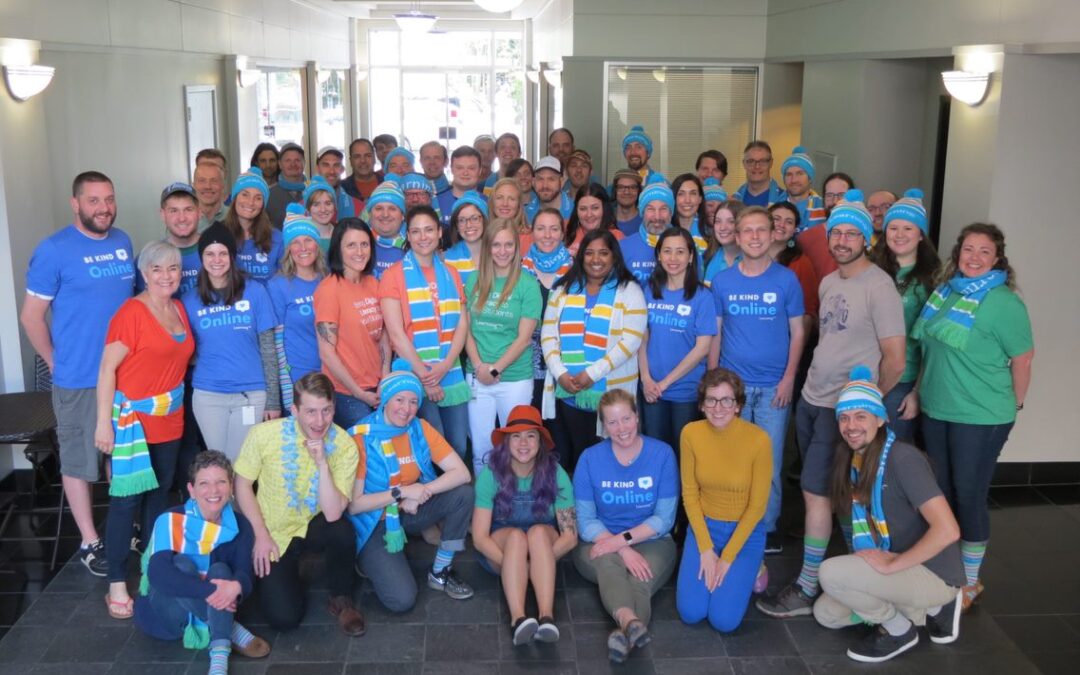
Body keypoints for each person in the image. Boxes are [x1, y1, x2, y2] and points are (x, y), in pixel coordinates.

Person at [756, 190, 905, 619]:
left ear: (865, 239)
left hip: (840, 409)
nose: (841, 240)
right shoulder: (828, 280)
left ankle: (806, 588)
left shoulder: (879, 287)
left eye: (850, 233)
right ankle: (850, 577)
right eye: (835, 232)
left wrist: (863, 408)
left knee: (816, 493)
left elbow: (895, 359)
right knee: (833, 491)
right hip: (811, 398)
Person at [913, 223, 1033, 612]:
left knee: (968, 494)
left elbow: (1023, 359)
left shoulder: (1003, 303)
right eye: (968, 250)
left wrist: (1014, 406)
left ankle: (968, 581)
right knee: (942, 494)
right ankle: (946, 570)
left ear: (997, 258)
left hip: (981, 416)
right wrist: (917, 391)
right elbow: (930, 351)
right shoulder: (945, 292)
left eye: (984, 251)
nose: (975, 258)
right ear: (957, 253)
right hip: (937, 409)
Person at [21, 171, 136, 577]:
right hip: (80, 379)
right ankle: (90, 540)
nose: (103, 207)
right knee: (80, 460)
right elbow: (31, 316)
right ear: (76, 204)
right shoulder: (54, 250)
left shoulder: (123, 242)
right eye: (93, 200)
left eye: (109, 198)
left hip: (125, 375)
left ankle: (124, 527)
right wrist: (55, 362)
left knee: (122, 456)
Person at [814, 369, 965, 663]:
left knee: (831, 573)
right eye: (844, 418)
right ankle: (929, 611)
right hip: (895, 560)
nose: (850, 425)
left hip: (932, 572)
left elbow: (948, 530)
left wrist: (893, 564)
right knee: (827, 614)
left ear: (880, 419)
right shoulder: (854, 460)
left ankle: (899, 629)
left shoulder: (903, 459)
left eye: (861, 416)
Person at [94, 240, 195, 618]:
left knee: (159, 497)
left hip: (170, 419)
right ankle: (117, 582)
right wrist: (103, 423)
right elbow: (107, 369)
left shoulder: (179, 308)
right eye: (157, 269)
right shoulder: (131, 313)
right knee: (125, 503)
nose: (166, 275)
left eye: (172, 268)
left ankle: (153, 568)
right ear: (143, 273)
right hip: (132, 425)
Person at [234, 372, 363, 635]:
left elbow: (332, 513)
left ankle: (341, 596)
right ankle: (287, 572)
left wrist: (322, 464)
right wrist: (259, 534)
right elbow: (242, 485)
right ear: (294, 410)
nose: (319, 421)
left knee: (342, 531)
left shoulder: (345, 445)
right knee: (284, 619)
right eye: (311, 412)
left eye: (326, 411)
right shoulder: (263, 434)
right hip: (273, 531)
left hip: (315, 522)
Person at [709, 206, 806, 555]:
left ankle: (763, 530)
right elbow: (715, 336)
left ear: (772, 234)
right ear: (736, 236)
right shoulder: (722, 282)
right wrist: (712, 385)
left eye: (761, 230)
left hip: (772, 390)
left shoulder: (786, 280)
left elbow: (798, 333)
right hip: (731, 390)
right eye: (746, 231)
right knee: (730, 460)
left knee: (769, 463)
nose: (754, 237)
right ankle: (731, 523)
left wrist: (789, 379)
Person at [349, 363, 475, 611]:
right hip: (376, 521)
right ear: (385, 400)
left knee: (463, 495)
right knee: (401, 600)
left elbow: (461, 474)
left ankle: (440, 570)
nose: (406, 409)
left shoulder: (418, 428)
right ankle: (368, 560)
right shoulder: (361, 436)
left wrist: (421, 494)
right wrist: (403, 492)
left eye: (413, 401)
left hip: (410, 510)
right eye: (399, 400)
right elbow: (355, 505)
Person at [134, 451, 271, 670]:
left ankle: (219, 658)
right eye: (204, 483)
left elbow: (244, 573)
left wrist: (236, 585)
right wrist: (211, 591)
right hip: (166, 614)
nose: (213, 491)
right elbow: (158, 575)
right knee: (182, 565)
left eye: (221, 482)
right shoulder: (171, 519)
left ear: (231, 485)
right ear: (191, 490)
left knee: (221, 570)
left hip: (218, 603)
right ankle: (231, 629)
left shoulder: (240, 525)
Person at [573, 390, 679, 664]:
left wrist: (623, 542)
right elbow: (585, 521)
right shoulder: (589, 458)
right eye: (612, 422)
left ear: (637, 417)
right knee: (611, 566)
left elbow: (664, 518)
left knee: (639, 578)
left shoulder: (662, 454)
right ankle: (631, 624)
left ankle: (625, 628)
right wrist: (622, 548)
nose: (621, 428)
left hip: (653, 540)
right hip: (599, 539)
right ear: (603, 426)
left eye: (626, 418)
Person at [541, 229, 646, 471]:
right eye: (589, 253)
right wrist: (560, 374)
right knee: (576, 457)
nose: (595, 259)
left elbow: (630, 342)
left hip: (610, 395)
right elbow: (548, 335)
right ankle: (579, 507)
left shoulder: (630, 291)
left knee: (609, 460)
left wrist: (592, 374)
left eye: (603, 253)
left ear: (614, 256)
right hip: (568, 394)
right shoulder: (563, 289)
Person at [471, 405, 576, 645]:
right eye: (516, 436)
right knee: (518, 537)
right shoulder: (491, 474)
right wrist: (515, 564)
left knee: (538, 533)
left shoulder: (556, 472)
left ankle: (546, 617)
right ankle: (518, 619)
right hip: (501, 544)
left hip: (542, 546)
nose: (524, 443)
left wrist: (534, 563)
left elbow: (570, 537)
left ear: (541, 442)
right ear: (506, 441)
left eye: (531, 435)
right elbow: (479, 538)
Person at [677, 367, 772, 632]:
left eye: (727, 400)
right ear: (702, 405)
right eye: (711, 400)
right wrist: (706, 550)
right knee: (691, 612)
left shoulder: (759, 440)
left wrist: (726, 558)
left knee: (724, 621)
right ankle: (718, 563)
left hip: (744, 533)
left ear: (738, 405)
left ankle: (756, 567)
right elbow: (690, 493)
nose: (718, 407)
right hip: (704, 528)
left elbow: (757, 507)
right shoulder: (690, 434)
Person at [183, 223, 281, 461]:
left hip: (251, 394)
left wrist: (273, 400)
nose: (217, 260)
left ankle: (239, 501)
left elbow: (268, 349)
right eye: (210, 254)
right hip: (208, 395)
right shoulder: (190, 300)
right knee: (218, 464)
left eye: (223, 253)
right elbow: (186, 349)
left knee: (242, 466)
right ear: (202, 258)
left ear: (232, 256)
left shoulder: (255, 291)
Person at [380, 205, 471, 458]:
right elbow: (396, 334)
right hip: (414, 376)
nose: (423, 237)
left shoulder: (452, 273)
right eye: (416, 231)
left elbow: (462, 324)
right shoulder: (393, 276)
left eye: (429, 230)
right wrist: (426, 376)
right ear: (407, 236)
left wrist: (446, 364)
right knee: (433, 447)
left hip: (450, 372)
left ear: (439, 232)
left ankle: (455, 496)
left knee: (459, 445)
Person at [464, 219, 542, 475]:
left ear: (517, 247)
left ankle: (513, 505)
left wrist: (495, 370)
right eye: (496, 245)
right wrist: (479, 367)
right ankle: (484, 506)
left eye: (509, 244)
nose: (502, 251)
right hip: (477, 376)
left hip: (514, 379)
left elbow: (524, 338)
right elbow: (466, 330)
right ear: (487, 247)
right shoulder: (473, 281)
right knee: (481, 450)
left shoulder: (528, 284)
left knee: (516, 449)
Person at [639, 228, 716, 453]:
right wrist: (646, 379)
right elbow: (641, 337)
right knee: (656, 452)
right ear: (659, 255)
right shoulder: (648, 291)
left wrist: (665, 383)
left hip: (685, 392)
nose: (673, 258)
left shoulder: (703, 297)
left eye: (680, 252)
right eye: (667, 251)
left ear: (691, 256)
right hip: (651, 389)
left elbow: (702, 348)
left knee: (685, 454)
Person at [871, 189, 939, 442]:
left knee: (893, 454)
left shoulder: (932, 280)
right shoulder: (872, 271)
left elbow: (931, 345)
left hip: (903, 381)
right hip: (867, 374)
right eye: (893, 228)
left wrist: (917, 392)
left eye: (908, 229)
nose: (899, 235)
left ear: (921, 234)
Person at [315, 218, 390, 430]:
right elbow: (326, 352)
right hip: (347, 392)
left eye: (364, 244)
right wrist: (358, 393)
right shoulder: (329, 289)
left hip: (377, 386)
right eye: (351, 245)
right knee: (370, 447)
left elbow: (383, 335)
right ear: (338, 249)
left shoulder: (373, 283)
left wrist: (384, 378)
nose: (359, 251)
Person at [268, 206, 326, 412]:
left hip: (330, 374)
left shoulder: (328, 280)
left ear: (317, 244)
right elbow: (276, 343)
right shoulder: (278, 285)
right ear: (288, 249)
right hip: (297, 379)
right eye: (295, 242)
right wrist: (285, 390)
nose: (303, 247)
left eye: (308, 240)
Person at [521, 208, 574, 408]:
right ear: (532, 232)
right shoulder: (519, 270)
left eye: (554, 229)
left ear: (562, 233)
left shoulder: (576, 269)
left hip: (566, 365)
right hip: (527, 364)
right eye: (541, 229)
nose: (547, 235)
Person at [137, 182, 202, 296]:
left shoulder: (217, 252)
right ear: (162, 214)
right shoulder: (150, 256)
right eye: (173, 211)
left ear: (199, 212)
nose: (182, 218)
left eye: (188, 209)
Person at [222, 168, 284, 284]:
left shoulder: (277, 238)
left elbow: (284, 282)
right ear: (235, 198)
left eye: (258, 198)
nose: (250, 202)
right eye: (245, 195)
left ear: (263, 204)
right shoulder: (219, 235)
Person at [768, 202, 820, 339]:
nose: (781, 225)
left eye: (789, 222)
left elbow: (807, 314)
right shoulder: (751, 256)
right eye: (776, 219)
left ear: (794, 230)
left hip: (787, 342)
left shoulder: (801, 263)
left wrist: (794, 357)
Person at [619, 181, 672, 285]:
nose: (657, 217)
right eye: (650, 209)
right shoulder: (622, 247)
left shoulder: (686, 246)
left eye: (663, 209)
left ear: (671, 213)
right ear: (642, 213)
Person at [443, 190, 488, 287]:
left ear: (484, 220)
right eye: (462, 220)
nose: (468, 225)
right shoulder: (448, 258)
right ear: (456, 225)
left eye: (475, 218)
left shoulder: (498, 251)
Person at [565, 183, 623, 255]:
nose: (589, 215)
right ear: (576, 211)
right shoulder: (563, 229)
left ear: (604, 209)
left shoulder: (618, 237)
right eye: (583, 209)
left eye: (595, 208)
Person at [365, 181, 408, 278]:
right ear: (370, 214)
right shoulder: (359, 243)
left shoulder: (415, 245)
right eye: (379, 208)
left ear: (402, 215)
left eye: (392, 209)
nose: (385, 214)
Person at [781, 146, 826, 232]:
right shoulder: (772, 207)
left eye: (800, 173)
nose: (794, 180)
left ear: (810, 178)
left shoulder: (824, 208)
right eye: (789, 174)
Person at [436, 145, 483, 228]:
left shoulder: (490, 203)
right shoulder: (436, 202)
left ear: (480, 170)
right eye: (460, 168)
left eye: (471, 168)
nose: (465, 173)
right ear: (451, 169)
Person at [266, 142, 308, 228]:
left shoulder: (315, 192)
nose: (293, 164)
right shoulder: (268, 195)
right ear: (280, 164)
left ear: (304, 163)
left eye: (297, 160)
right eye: (288, 160)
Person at [702, 199, 744, 284]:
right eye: (718, 221)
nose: (722, 227)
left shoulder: (753, 260)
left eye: (731, 221)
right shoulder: (707, 257)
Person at [733, 141, 785, 207]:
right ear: (744, 164)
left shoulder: (784, 200)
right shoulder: (734, 201)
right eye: (751, 161)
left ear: (771, 163)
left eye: (763, 161)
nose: (757, 166)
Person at [315, 146, 358, 221]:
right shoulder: (303, 208)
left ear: (342, 169)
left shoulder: (359, 208)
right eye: (326, 165)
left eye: (336, 165)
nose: (331, 171)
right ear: (318, 168)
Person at [671, 173, 708, 255]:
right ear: (673, 198)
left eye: (693, 193)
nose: (687, 200)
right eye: (681, 194)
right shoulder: (665, 230)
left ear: (700, 199)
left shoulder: (710, 232)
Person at [488, 176, 531, 247]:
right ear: (492, 202)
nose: (505, 204)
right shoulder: (484, 234)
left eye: (511, 199)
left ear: (519, 205)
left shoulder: (530, 237)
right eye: (499, 198)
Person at [342, 138, 381, 209]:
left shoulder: (387, 184)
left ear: (374, 158)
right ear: (351, 161)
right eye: (357, 156)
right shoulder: (341, 189)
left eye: (368, 155)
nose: (363, 161)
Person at [302, 175, 337, 253]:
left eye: (328, 203)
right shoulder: (301, 237)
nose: (323, 209)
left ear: (334, 206)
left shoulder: (342, 233)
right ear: (308, 209)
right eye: (316, 204)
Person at [532, 156, 574, 222]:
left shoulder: (576, 211)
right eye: (540, 179)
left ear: (562, 182)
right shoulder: (524, 213)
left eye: (551, 179)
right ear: (533, 182)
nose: (545, 185)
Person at [194, 161, 229, 231]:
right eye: (202, 181)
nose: (208, 186)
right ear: (194, 185)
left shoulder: (235, 216)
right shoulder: (183, 219)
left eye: (214, 181)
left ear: (223, 186)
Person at [506, 158, 540, 224]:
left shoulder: (543, 203)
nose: (523, 178)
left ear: (533, 177)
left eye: (527, 173)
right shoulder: (504, 205)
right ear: (509, 179)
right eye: (517, 175)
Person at [612, 168, 643, 236]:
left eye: (632, 187)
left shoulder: (646, 220)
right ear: (615, 190)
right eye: (621, 187)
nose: (627, 192)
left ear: (639, 191)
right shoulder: (606, 219)